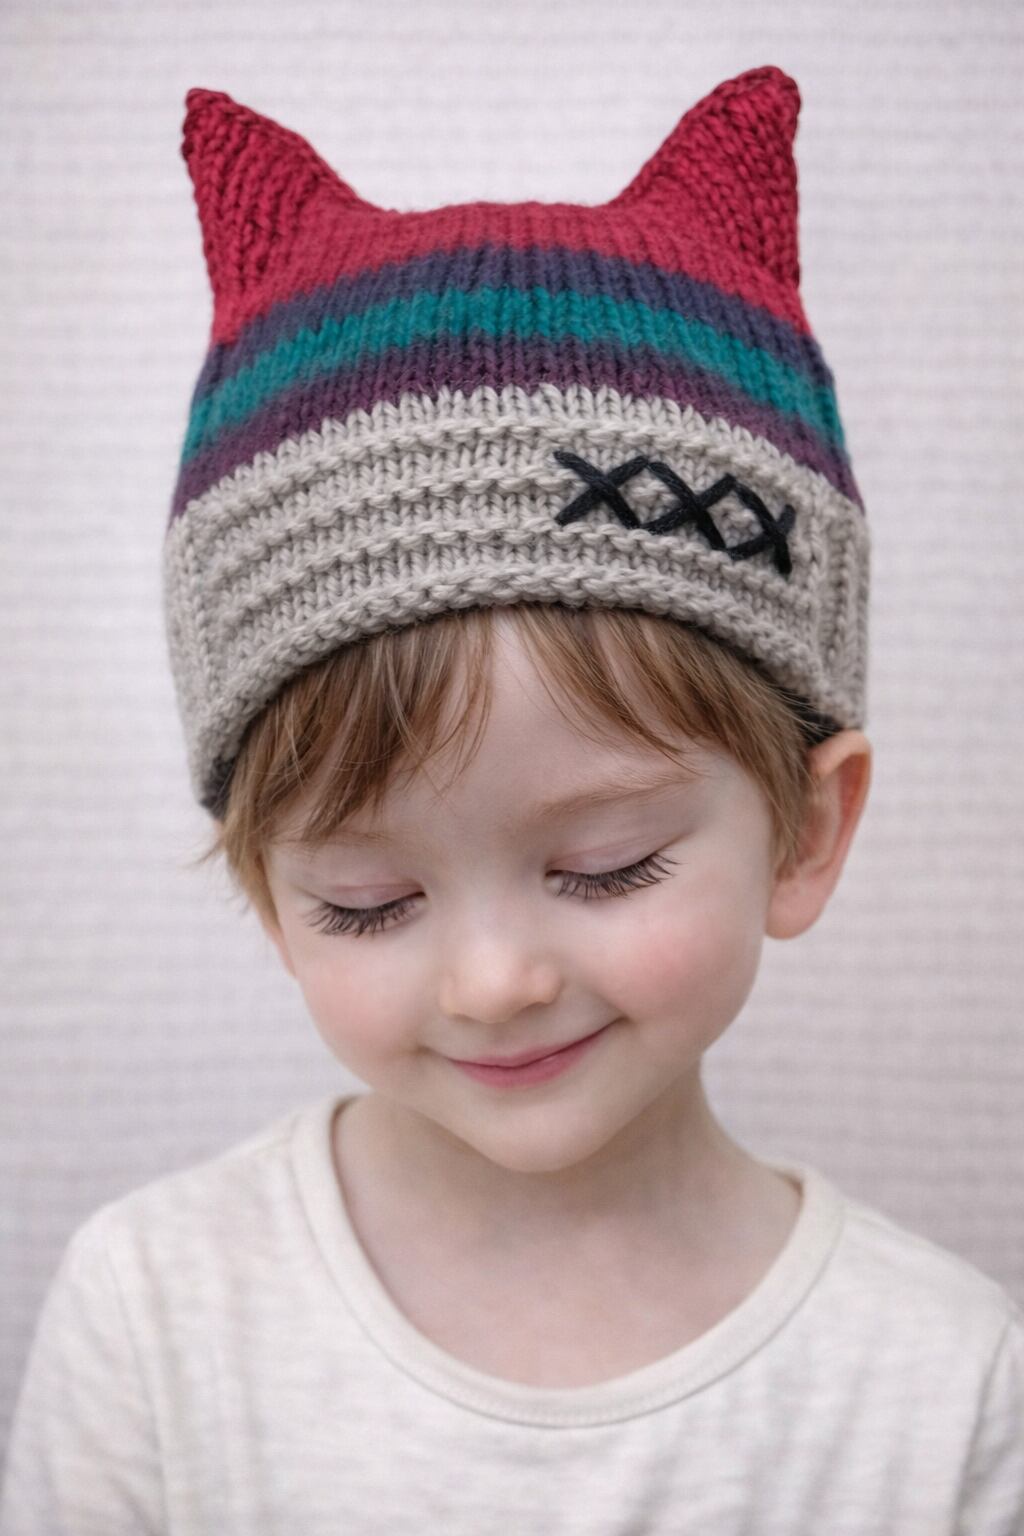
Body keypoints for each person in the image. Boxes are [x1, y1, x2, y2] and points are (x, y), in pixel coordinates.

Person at [1, 64, 1021, 1535]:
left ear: (808, 830)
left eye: (607, 866)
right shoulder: (156, 1315)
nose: (493, 982)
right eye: (368, 902)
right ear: (266, 891)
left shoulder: (941, 1385)